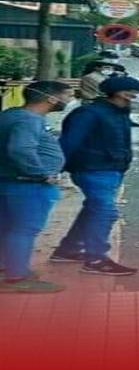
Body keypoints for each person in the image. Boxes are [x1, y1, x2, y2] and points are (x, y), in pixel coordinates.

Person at [50, 77, 139, 276]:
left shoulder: (119, 111)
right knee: (105, 212)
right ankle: (96, 259)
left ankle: (68, 250)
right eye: (138, 91)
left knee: (93, 210)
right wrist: (55, 169)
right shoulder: (88, 113)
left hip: (112, 168)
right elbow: (68, 142)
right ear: (122, 93)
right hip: (92, 169)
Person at [0, 81, 74, 293]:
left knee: (7, 228)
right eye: (67, 95)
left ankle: (8, 268)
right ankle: (16, 278)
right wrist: (40, 173)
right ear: (51, 98)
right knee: (23, 230)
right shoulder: (29, 120)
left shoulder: (10, 115)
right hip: (28, 185)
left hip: (8, 180)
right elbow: (21, 149)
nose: (69, 100)